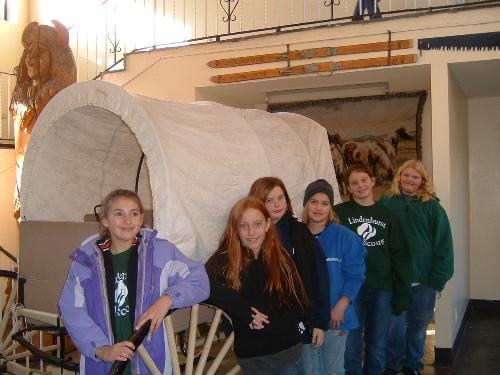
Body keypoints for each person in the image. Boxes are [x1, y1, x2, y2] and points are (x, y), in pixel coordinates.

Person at [58, 189, 209, 375]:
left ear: (141, 219)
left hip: (150, 357)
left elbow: (198, 280)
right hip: (104, 361)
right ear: (105, 220)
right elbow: (71, 310)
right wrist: (101, 349)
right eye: (119, 213)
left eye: (134, 213)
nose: (128, 221)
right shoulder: (86, 262)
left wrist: (167, 299)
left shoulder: (161, 253)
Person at [205, 196, 308, 375]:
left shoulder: (281, 259)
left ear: (268, 225)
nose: (251, 232)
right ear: (235, 228)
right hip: (252, 356)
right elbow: (203, 286)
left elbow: (299, 305)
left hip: (287, 351)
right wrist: (244, 310)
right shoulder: (224, 261)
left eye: (257, 224)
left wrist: (269, 325)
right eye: (244, 226)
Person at [334, 164, 411, 375]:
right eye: (354, 183)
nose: (360, 186)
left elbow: (400, 256)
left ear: (373, 181)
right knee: (351, 343)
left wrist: (402, 291)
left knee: (377, 343)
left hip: (382, 288)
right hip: (350, 291)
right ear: (348, 188)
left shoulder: (388, 215)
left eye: (364, 180)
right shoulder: (339, 214)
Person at [249, 177, 331, 374]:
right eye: (269, 200)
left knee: (309, 370)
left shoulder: (300, 232)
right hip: (271, 331)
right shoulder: (250, 236)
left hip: (302, 324)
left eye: (281, 197)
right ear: (258, 202)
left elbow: (319, 278)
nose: (277, 204)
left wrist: (320, 322)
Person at [380, 160, 454, 375]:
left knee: (417, 329)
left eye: (415, 176)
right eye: (406, 175)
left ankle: (413, 365)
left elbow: (444, 245)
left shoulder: (432, 207)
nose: (409, 179)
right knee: (393, 329)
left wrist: (437, 281)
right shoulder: (386, 203)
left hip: (424, 282)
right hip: (394, 281)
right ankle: (392, 366)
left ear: (422, 181)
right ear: (399, 177)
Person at [302, 179, 367, 375]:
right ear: (305, 204)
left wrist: (341, 306)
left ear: (331, 207)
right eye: (313, 201)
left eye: (325, 203)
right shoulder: (299, 235)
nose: (318, 207)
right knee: (310, 370)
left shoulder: (345, 237)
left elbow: (356, 276)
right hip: (307, 319)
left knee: (332, 369)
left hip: (335, 317)